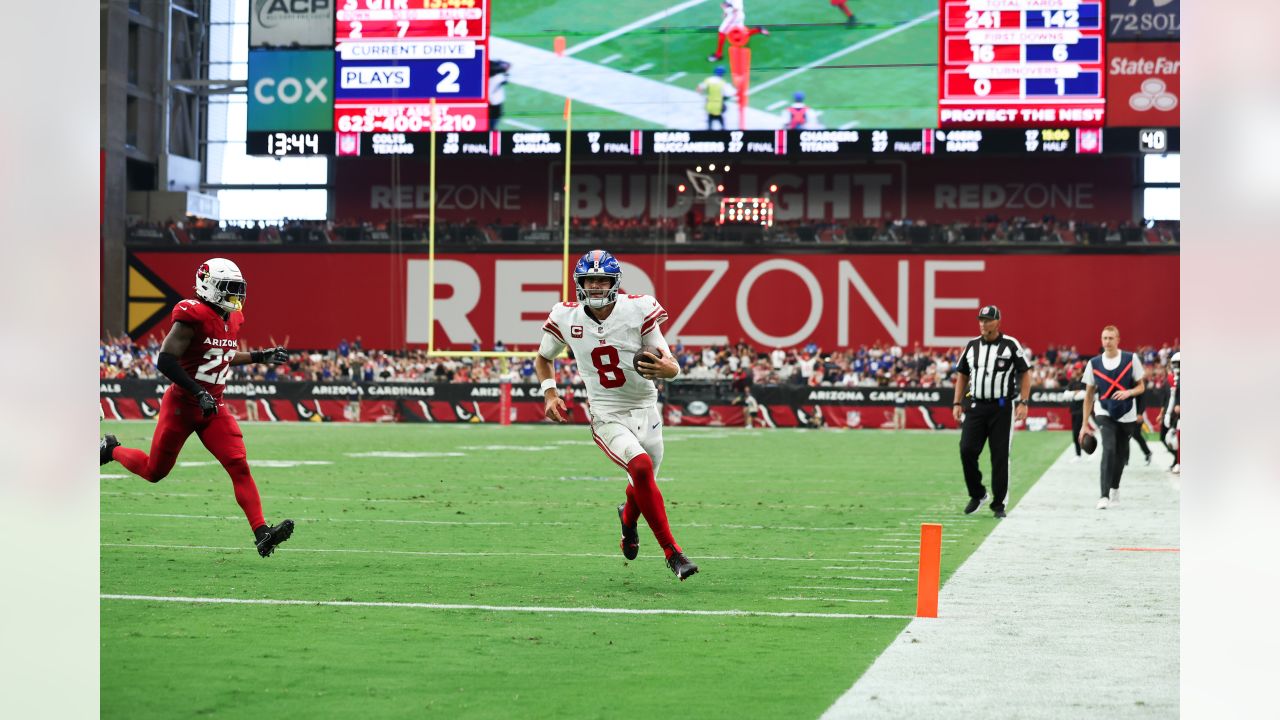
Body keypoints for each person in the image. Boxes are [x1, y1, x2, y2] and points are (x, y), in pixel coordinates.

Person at [99, 258, 296, 557]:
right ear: (210, 286)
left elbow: (222, 354)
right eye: (229, 289)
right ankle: (110, 449)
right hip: (182, 405)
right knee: (154, 471)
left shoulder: (234, 319)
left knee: (239, 466)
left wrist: (260, 356)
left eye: (237, 290)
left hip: (213, 408)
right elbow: (165, 359)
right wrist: (197, 391)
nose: (236, 296)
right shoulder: (192, 315)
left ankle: (261, 533)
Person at [534, 250, 699, 581]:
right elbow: (543, 358)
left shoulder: (638, 308)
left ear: (614, 282)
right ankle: (673, 554)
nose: (595, 286)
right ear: (580, 283)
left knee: (642, 480)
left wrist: (670, 369)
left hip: (646, 408)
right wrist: (550, 393)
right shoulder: (565, 316)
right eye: (589, 280)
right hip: (606, 413)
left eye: (601, 279)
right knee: (640, 467)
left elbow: (668, 360)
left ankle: (628, 519)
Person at [951, 305, 1031, 518]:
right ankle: (978, 493)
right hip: (976, 406)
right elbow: (962, 375)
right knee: (966, 449)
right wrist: (957, 403)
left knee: (999, 456)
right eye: (981, 320)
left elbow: (1025, 372)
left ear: (997, 322)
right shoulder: (972, 346)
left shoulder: (1010, 345)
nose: (983, 324)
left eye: (987, 320)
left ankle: (998, 504)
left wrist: (1024, 401)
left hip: (1001, 408)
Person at [1079, 325, 1147, 509]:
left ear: (1118, 340)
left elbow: (1141, 387)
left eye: (1110, 338)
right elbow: (1088, 396)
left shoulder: (1131, 359)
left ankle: (1115, 487)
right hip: (1104, 411)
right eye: (1104, 338)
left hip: (1127, 414)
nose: (1107, 342)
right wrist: (1084, 425)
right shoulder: (1093, 363)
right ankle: (1103, 495)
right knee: (1108, 449)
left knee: (1121, 456)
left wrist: (1129, 392)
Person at [697, 66, 735, 130]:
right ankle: (723, 130)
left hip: (709, 104)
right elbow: (730, 94)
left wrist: (704, 96)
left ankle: (709, 130)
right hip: (719, 105)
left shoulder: (708, 80)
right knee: (719, 117)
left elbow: (699, 89)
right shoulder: (723, 83)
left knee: (710, 116)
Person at [1161, 351, 1180, 473]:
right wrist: (1167, 413)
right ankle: (1177, 461)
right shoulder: (1173, 378)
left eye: (1178, 364)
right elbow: (1172, 396)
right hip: (1176, 413)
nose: (1175, 367)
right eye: (1174, 364)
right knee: (1174, 438)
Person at [1066, 367, 1087, 461]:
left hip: (1083, 410)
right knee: (1075, 433)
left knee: (1080, 433)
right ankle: (1078, 454)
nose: (1074, 371)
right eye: (1074, 369)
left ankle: (1086, 452)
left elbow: (1084, 395)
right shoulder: (1072, 382)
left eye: (1076, 369)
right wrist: (1076, 393)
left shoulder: (1085, 381)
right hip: (1074, 410)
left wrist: (1074, 394)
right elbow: (1065, 395)